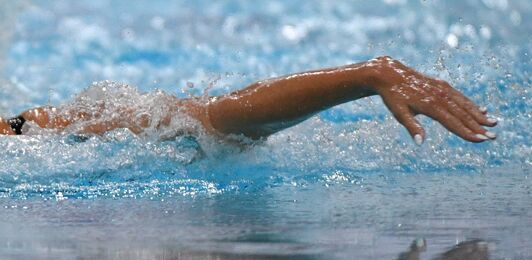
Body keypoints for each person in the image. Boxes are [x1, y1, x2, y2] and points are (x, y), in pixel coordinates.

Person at [0, 56, 496, 144]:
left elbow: (216, 122)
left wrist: (364, 77)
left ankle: (371, 74)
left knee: (202, 127)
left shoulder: (20, 134)